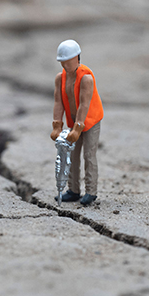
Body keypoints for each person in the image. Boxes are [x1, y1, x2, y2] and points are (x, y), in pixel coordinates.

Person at [50, 39, 104, 205]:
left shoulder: (86, 78)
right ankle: (73, 190)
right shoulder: (61, 78)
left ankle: (91, 191)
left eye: (68, 61)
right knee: (71, 156)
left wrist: (78, 128)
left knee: (89, 155)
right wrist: (57, 125)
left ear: (77, 58)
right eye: (62, 62)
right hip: (73, 123)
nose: (65, 65)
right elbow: (58, 102)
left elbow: (84, 105)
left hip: (90, 122)